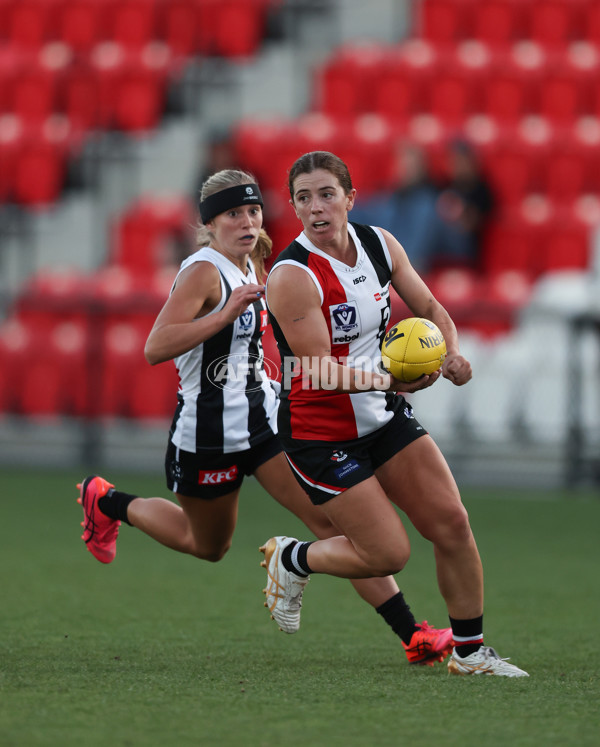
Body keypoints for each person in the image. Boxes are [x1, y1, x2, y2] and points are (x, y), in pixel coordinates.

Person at [77, 168, 454, 667]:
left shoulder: (259, 261)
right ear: (209, 224)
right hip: (208, 432)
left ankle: (412, 633)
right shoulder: (203, 270)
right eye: (233, 213)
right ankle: (107, 501)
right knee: (207, 545)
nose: (247, 222)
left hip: (267, 421)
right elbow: (155, 346)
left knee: (329, 523)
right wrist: (222, 314)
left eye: (253, 211)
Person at [261, 151, 528, 677]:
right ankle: (291, 559)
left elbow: (430, 309)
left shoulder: (380, 244)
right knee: (387, 554)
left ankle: (471, 655)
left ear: (350, 198)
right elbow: (317, 369)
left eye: (327, 194)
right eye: (303, 198)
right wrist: (394, 379)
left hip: (382, 415)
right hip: (320, 432)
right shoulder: (292, 276)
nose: (316, 207)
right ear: (293, 208)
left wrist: (450, 352)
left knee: (452, 522)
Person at [350, 139, 442, 274]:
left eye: (412, 166)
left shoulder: (428, 205)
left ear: (422, 169)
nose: (405, 170)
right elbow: (360, 217)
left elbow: (415, 255)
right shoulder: (387, 199)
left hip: (408, 272)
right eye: (402, 164)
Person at [433, 138, 495, 271]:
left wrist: (457, 212)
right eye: (454, 161)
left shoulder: (481, 189)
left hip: (465, 245)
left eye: (462, 161)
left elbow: (472, 224)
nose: (457, 166)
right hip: (439, 241)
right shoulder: (446, 184)